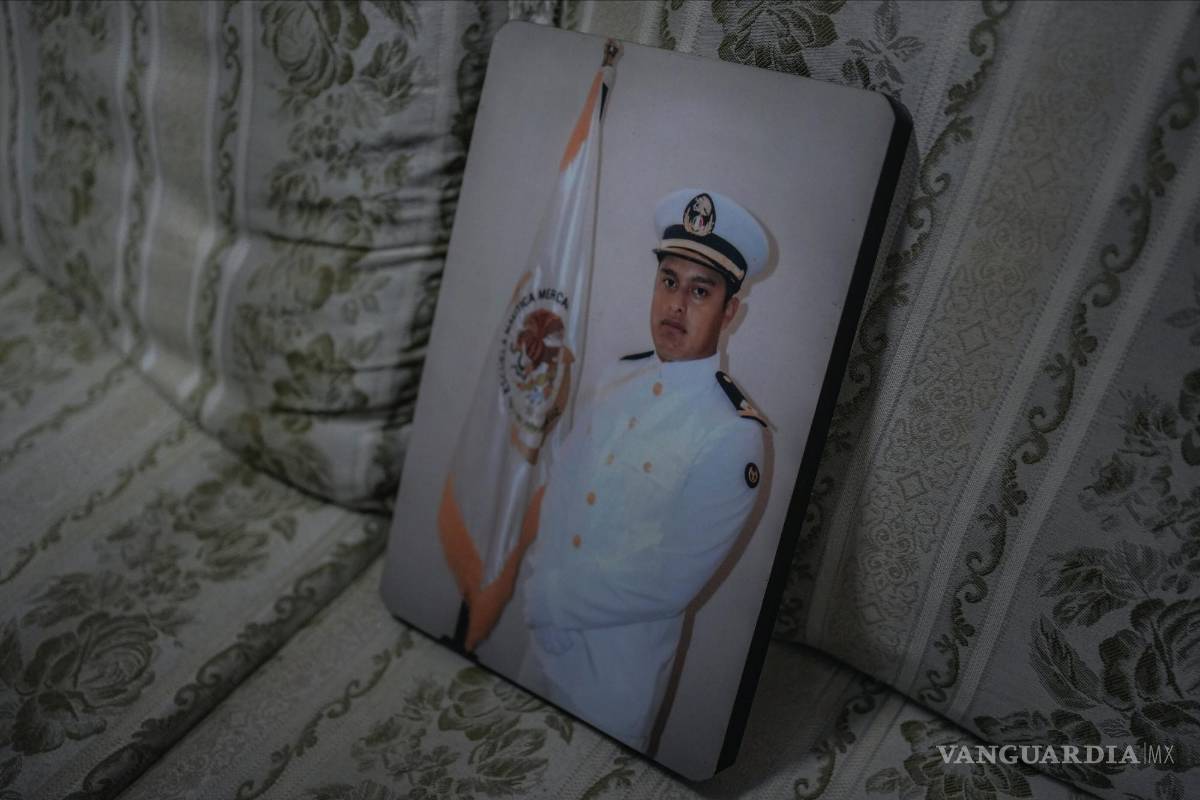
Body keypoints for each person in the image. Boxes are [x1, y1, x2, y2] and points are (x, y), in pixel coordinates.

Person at [471, 188, 771, 751]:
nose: (676, 305)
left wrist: (547, 600)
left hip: (611, 684)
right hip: (541, 649)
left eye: (700, 291)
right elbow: (562, 489)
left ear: (730, 311)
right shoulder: (617, 376)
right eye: (669, 281)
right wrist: (533, 583)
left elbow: (668, 582)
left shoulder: (734, 435)